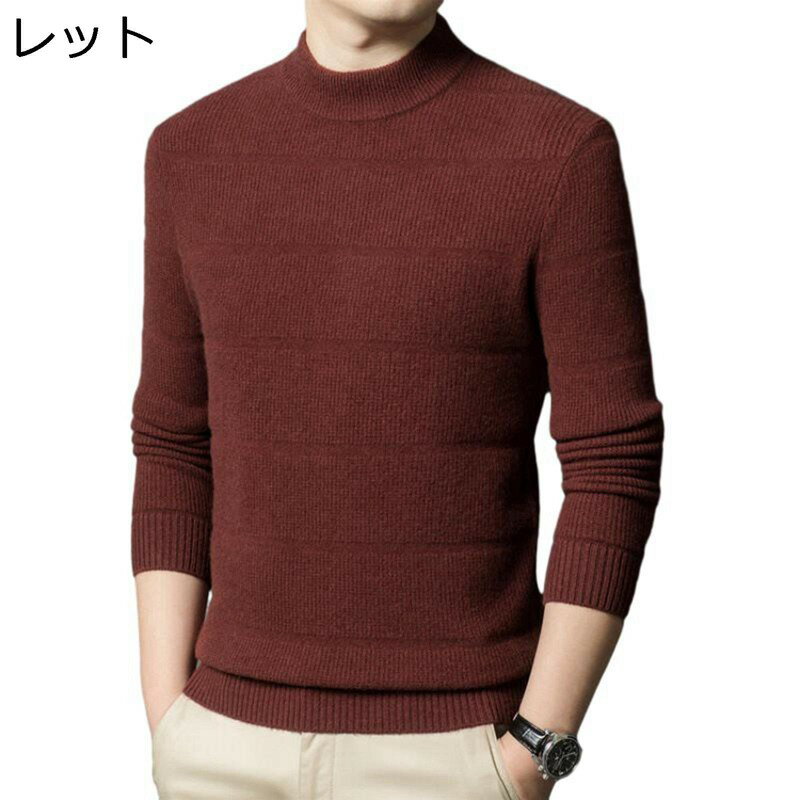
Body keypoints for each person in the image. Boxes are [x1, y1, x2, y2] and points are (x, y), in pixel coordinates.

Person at [130, 1, 664, 798]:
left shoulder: (558, 149)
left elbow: (614, 458)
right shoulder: (191, 149)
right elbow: (174, 441)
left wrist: (533, 749)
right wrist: (170, 719)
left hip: (455, 754)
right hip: (221, 746)